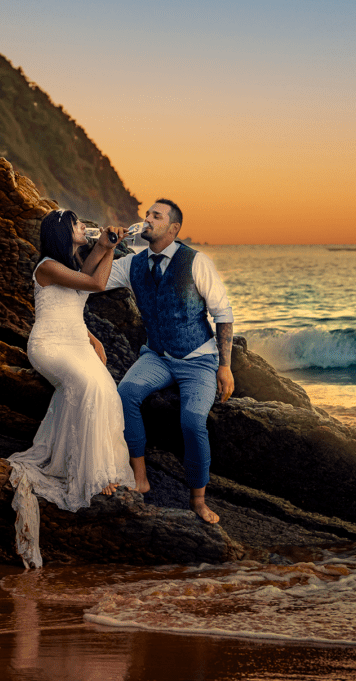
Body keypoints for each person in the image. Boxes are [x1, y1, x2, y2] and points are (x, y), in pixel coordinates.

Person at [8, 209, 136, 568]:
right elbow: (95, 284)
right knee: (87, 386)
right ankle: (92, 476)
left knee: (105, 388)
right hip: (49, 345)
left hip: (77, 341)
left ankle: (104, 468)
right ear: (64, 232)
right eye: (78, 224)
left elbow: (81, 286)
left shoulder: (72, 261)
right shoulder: (46, 266)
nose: (84, 227)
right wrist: (109, 247)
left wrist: (91, 337)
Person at [104, 199, 234, 524]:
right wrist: (109, 246)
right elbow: (96, 281)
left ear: (173, 228)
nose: (147, 219)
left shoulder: (195, 261)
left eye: (155, 216)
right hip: (157, 356)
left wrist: (225, 365)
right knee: (126, 393)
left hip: (199, 360)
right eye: (147, 214)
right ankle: (140, 476)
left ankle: (198, 500)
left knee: (191, 422)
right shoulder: (132, 264)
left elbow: (223, 314)